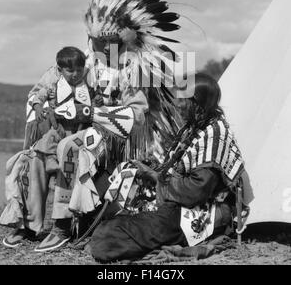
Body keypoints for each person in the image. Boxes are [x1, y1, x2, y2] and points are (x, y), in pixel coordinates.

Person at [0, 0, 181, 252]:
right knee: (33, 156)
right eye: (96, 42)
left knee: (70, 149)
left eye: (107, 44)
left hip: (108, 141)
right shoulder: (77, 64)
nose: (100, 49)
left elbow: (138, 115)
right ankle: (28, 224)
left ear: (122, 42)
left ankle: (61, 224)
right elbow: (39, 90)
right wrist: (41, 107)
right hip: (69, 132)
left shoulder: (131, 72)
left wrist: (92, 115)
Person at [88, 73, 245, 263]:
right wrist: (151, 171)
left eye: (183, 100)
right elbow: (175, 169)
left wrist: (157, 179)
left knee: (108, 237)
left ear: (198, 102)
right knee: (105, 207)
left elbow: (196, 191)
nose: (177, 105)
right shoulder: (193, 128)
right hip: (175, 203)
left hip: (194, 212)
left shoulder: (215, 135)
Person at [24, 46, 100, 175]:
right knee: (49, 138)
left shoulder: (87, 87)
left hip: (81, 128)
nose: (75, 74)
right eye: (70, 71)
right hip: (60, 126)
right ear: (60, 70)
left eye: (79, 70)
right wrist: (38, 108)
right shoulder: (53, 86)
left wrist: (97, 101)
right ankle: (50, 159)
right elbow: (38, 96)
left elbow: (92, 103)